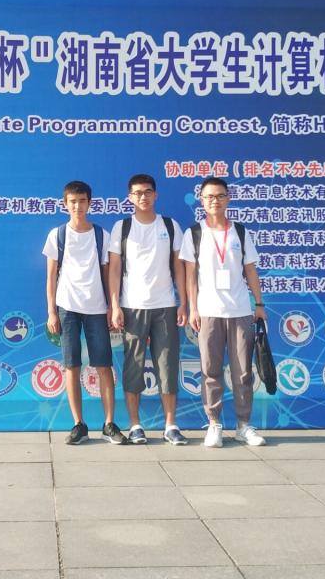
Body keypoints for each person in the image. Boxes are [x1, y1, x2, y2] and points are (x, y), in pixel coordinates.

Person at [179, 176, 267, 447]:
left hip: (240, 310)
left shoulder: (240, 232)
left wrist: (259, 304)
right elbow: (190, 275)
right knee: (210, 370)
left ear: (228, 198)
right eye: (209, 197)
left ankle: (243, 425)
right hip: (208, 311)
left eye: (219, 196)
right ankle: (214, 423)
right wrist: (193, 308)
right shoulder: (194, 233)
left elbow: (250, 270)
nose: (214, 201)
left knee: (243, 372)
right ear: (201, 201)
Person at [43, 180, 127, 445]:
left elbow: (108, 273)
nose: (77, 206)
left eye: (82, 201)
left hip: (96, 308)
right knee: (72, 366)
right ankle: (79, 424)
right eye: (72, 201)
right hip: (67, 308)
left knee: (104, 366)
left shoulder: (101, 235)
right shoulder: (57, 235)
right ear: (65, 204)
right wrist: (51, 311)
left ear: (90, 203)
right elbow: (51, 276)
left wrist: (112, 306)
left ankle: (109, 424)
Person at [108, 174, 189, 445]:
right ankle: (135, 426)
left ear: (156, 195)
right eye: (137, 193)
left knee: (167, 366)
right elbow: (115, 269)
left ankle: (170, 425)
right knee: (133, 366)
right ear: (130, 197)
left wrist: (183, 302)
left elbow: (178, 267)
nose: (143, 197)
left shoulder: (170, 225)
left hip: (165, 306)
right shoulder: (122, 227)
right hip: (132, 306)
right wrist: (115, 305)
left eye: (147, 192)